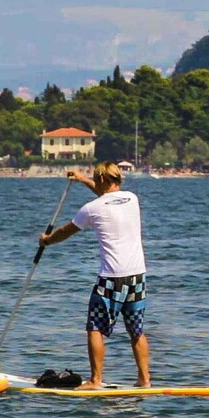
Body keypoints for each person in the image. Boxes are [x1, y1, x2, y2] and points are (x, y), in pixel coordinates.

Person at [39, 162, 150, 390]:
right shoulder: (132, 199)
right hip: (138, 277)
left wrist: (47, 240)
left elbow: (66, 231)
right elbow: (106, 195)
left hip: (112, 278)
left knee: (95, 328)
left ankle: (95, 380)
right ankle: (145, 380)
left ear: (101, 180)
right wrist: (81, 179)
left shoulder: (92, 209)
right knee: (136, 331)